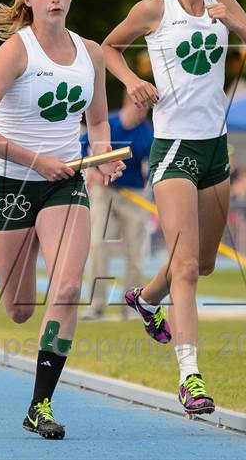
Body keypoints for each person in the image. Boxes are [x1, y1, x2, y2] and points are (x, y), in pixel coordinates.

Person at [102, 0, 246, 416]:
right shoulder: (153, 10)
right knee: (184, 268)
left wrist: (239, 26)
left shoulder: (224, 3)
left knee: (202, 263)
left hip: (214, 151)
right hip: (173, 148)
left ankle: (143, 299)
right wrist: (134, 81)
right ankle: (190, 377)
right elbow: (107, 48)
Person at [0, 0, 125, 440]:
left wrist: (102, 155)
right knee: (20, 310)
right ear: (27, 0)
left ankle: (40, 405)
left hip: (65, 182)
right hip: (10, 183)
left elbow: (96, 122)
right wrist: (34, 159)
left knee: (70, 288)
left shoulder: (91, 53)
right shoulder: (16, 51)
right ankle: (25, 245)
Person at [80, 92, 165, 324]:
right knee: (98, 244)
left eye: (146, 108)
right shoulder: (110, 125)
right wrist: (91, 171)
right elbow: (83, 146)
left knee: (135, 251)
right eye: (139, 105)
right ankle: (96, 305)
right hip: (104, 190)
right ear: (129, 103)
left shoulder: (147, 133)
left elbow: (154, 163)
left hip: (133, 194)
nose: (142, 111)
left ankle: (132, 305)